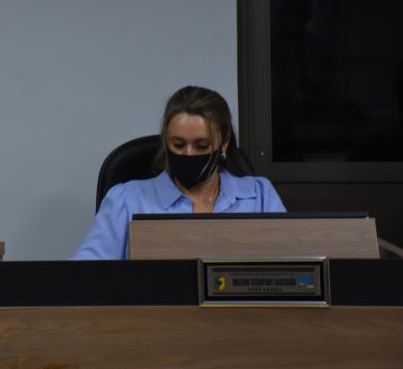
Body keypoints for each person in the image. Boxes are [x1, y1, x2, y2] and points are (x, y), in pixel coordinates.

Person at [73, 85, 285, 260]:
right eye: (178, 144)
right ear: (166, 142)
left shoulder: (260, 195)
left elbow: (291, 269)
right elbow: (84, 276)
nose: (189, 153)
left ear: (224, 143)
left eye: (202, 145)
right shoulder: (125, 200)